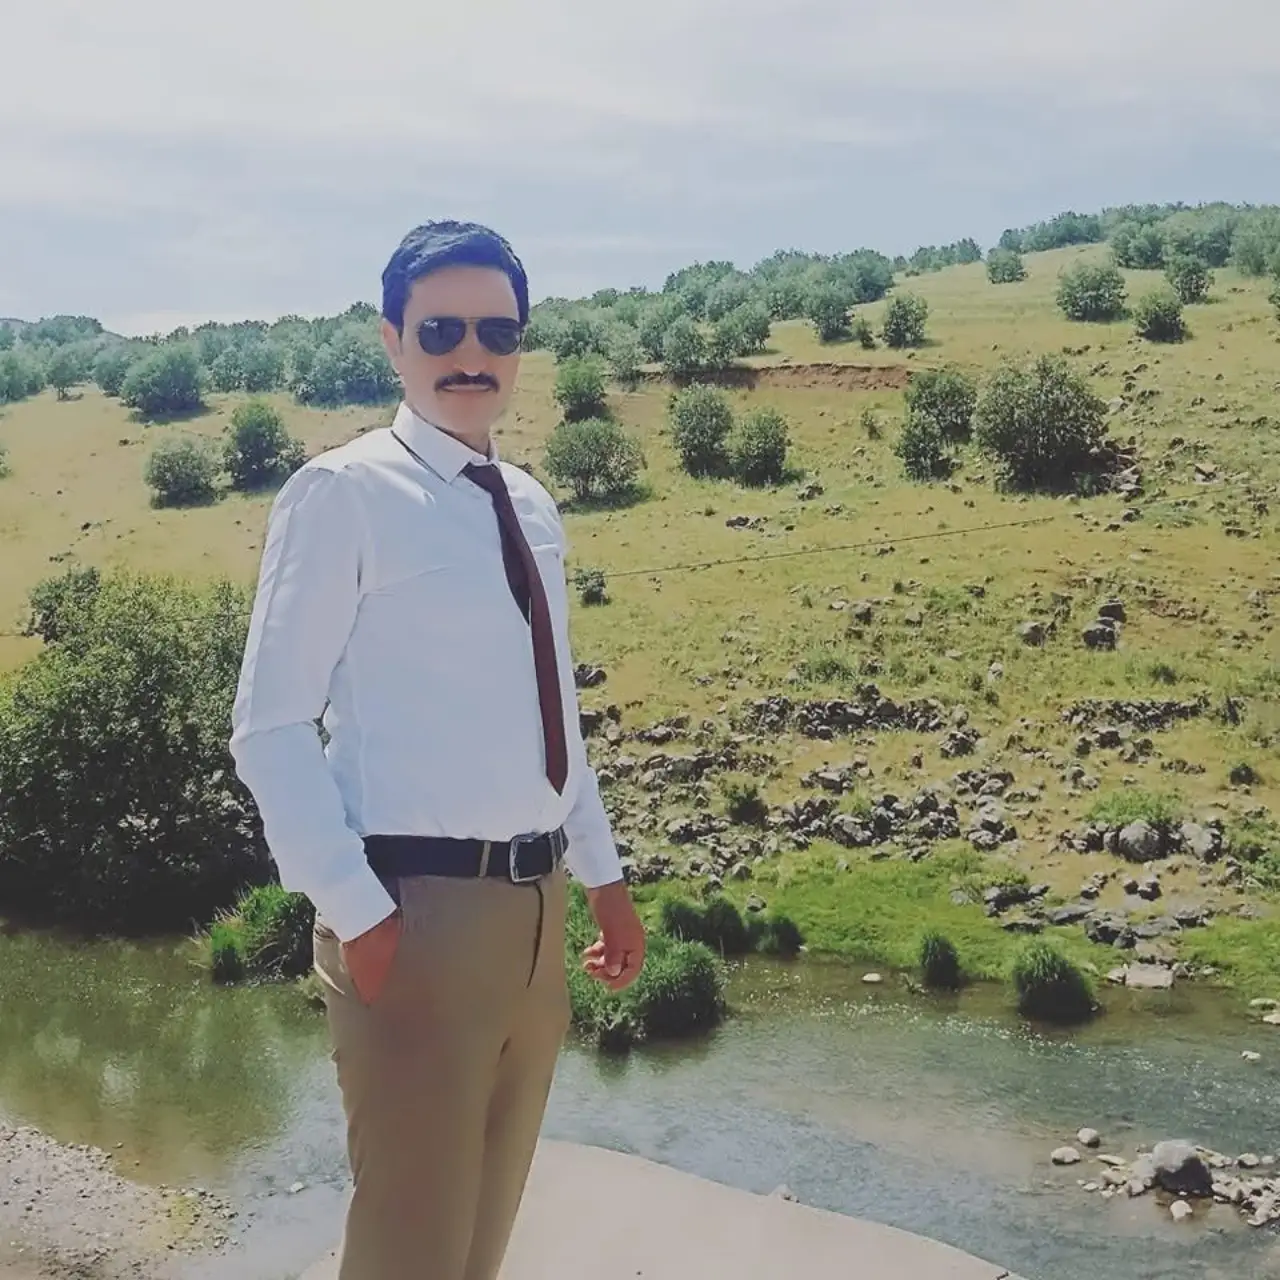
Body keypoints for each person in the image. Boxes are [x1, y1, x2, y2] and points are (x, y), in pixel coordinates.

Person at [228, 219, 646, 1280]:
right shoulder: (345, 493)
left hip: (537, 912)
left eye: (496, 331)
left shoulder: (531, 505)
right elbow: (269, 725)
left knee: (479, 1243)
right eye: (441, 329)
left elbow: (553, 716)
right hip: (413, 914)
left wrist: (603, 880)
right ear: (392, 340)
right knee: (408, 1253)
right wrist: (359, 914)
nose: (471, 353)